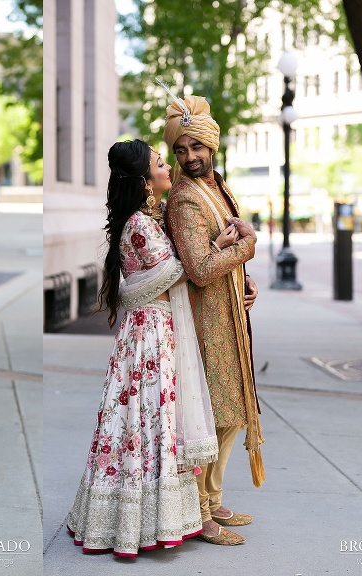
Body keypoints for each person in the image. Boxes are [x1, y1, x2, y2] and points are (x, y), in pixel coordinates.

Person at [66, 139, 240, 557]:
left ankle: (166, 513)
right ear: (146, 182)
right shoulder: (140, 226)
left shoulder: (149, 217)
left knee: (147, 422)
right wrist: (216, 249)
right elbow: (175, 273)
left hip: (155, 327)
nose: (168, 168)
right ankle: (141, 522)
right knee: (149, 419)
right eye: (161, 163)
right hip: (149, 334)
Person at [161, 91, 263, 546]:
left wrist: (246, 278)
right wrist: (246, 246)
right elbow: (200, 268)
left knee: (234, 412)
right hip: (206, 323)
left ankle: (215, 496)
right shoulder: (184, 200)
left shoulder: (217, 187)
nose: (189, 157)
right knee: (213, 415)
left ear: (211, 147)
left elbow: (221, 253)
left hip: (230, 315)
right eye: (180, 150)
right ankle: (201, 514)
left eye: (195, 148)